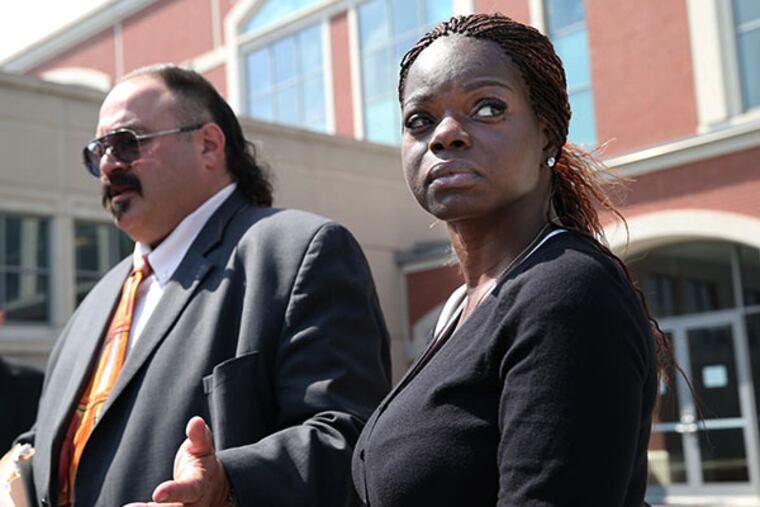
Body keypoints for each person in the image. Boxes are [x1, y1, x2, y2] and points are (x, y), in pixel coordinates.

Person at [16, 64, 391, 506]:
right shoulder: (96, 302)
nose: (108, 165)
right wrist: (16, 469)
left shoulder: (297, 253)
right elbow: (57, 440)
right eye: (97, 152)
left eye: (126, 143)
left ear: (209, 145)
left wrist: (228, 483)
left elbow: (349, 438)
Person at [352, 13, 664, 507]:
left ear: (546, 135)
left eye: (488, 108)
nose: (445, 135)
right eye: (420, 120)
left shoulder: (567, 292)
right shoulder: (460, 308)